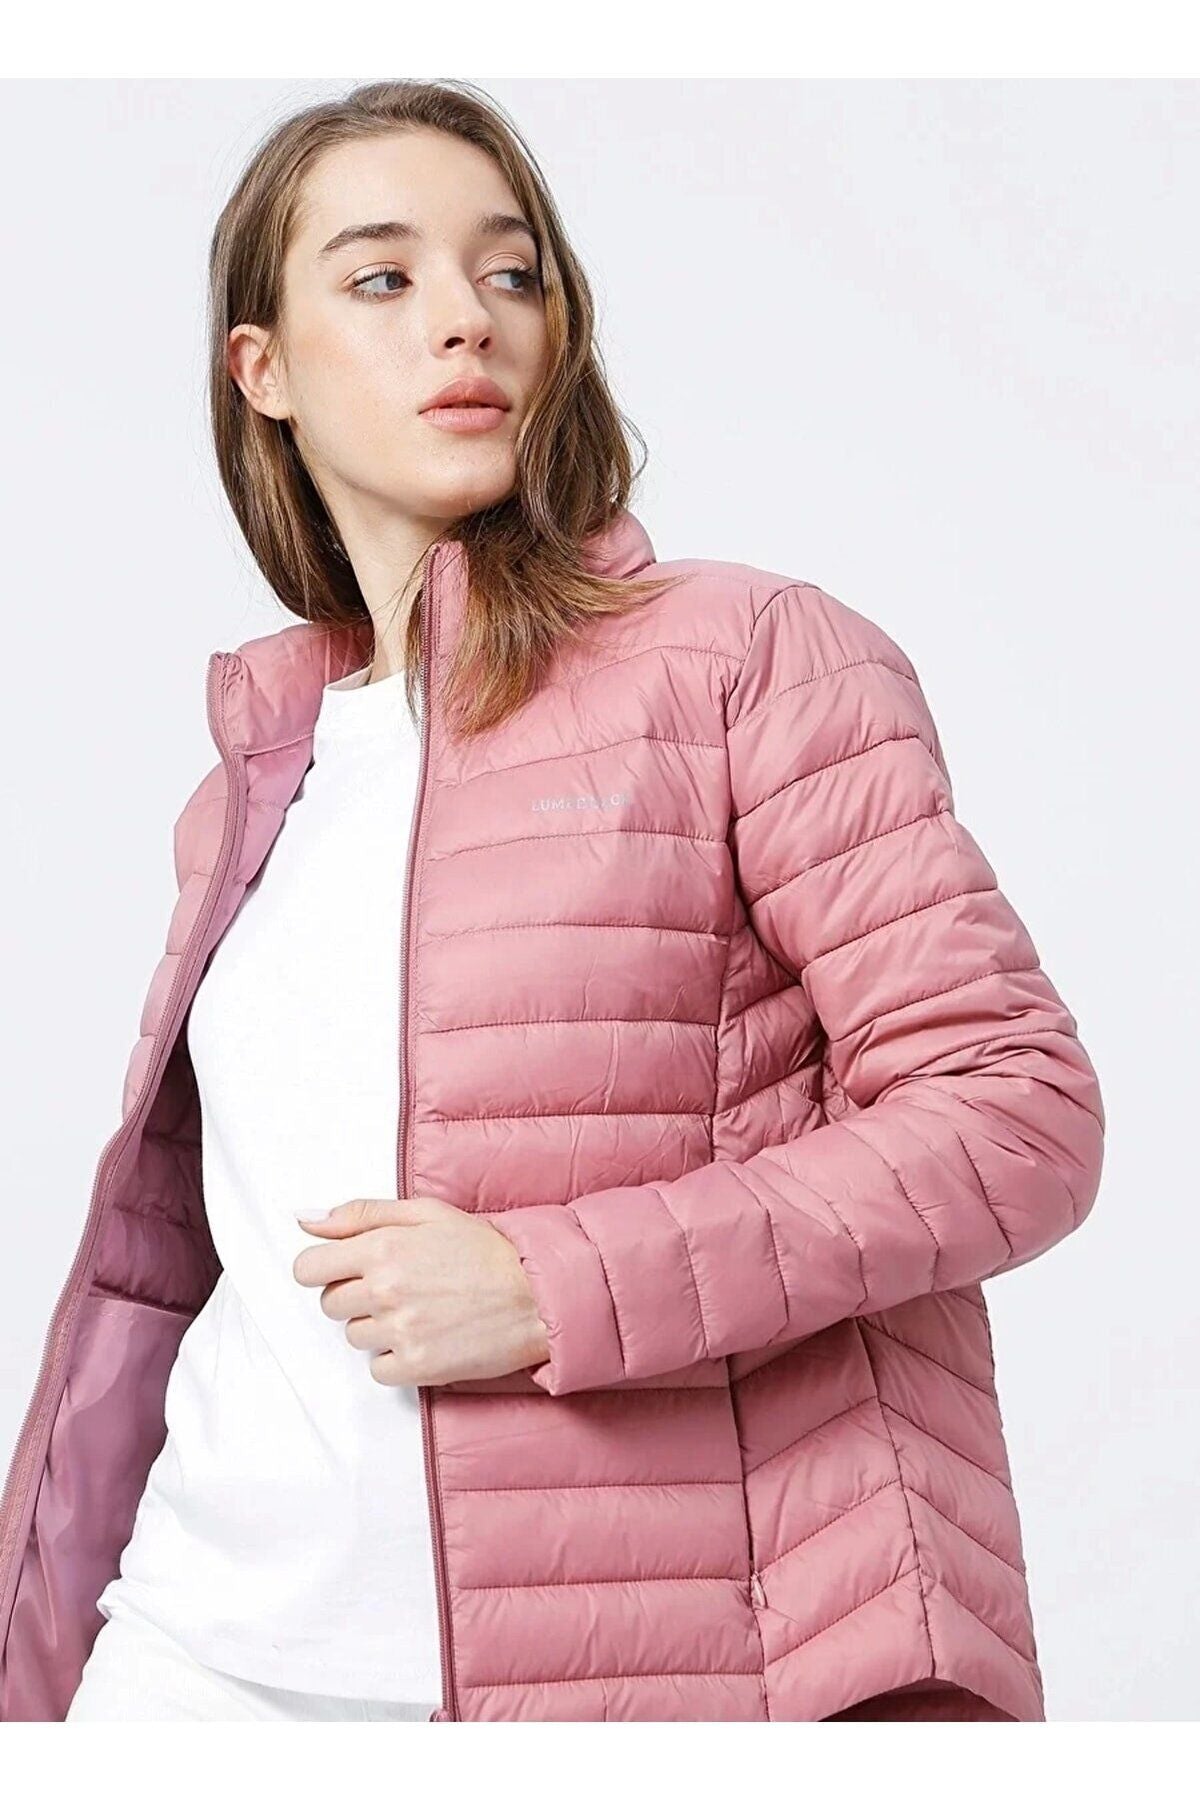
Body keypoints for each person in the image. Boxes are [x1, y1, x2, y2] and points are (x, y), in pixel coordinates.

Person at [0, 78, 1104, 1725]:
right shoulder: (252, 783)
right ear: (265, 371)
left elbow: (1017, 1114)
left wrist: (551, 1283)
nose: (466, 318)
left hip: (608, 1670)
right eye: (384, 278)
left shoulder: (744, 659)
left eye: (510, 272)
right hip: (190, 1653)